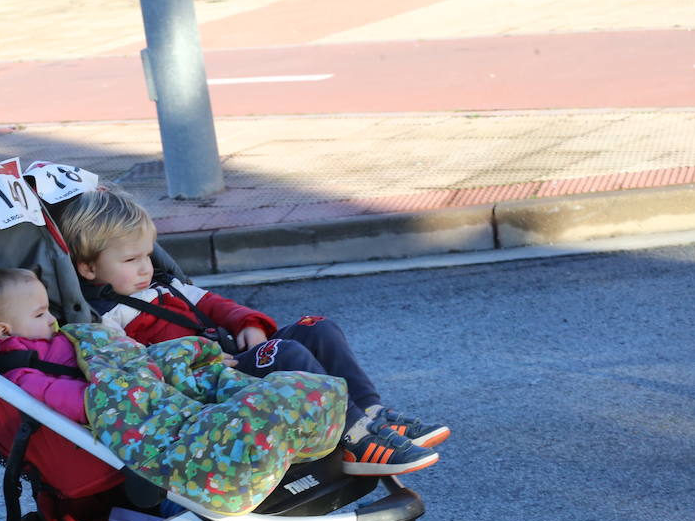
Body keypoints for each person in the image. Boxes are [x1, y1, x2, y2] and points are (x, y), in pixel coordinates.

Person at [55, 187, 449, 478]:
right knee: (287, 355)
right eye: (130, 259)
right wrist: (198, 355)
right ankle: (355, 436)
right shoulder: (106, 319)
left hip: (233, 358)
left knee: (318, 329)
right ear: (88, 269)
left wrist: (246, 323)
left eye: (147, 254)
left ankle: (373, 412)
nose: (145, 267)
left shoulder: (163, 285)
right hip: (206, 384)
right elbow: (136, 372)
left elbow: (215, 305)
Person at [0, 268, 347, 514]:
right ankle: (283, 436)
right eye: (39, 315)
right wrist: (117, 393)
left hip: (140, 376)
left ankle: (313, 424)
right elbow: (68, 398)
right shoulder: (21, 374)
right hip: (124, 404)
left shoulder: (61, 339)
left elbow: (114, 353)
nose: (53, 319)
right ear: (5, 331)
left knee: (249, 387)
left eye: (47, 309)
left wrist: (145, 370)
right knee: (248, 408)